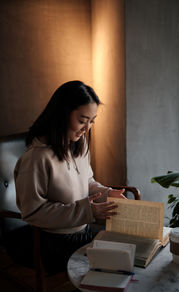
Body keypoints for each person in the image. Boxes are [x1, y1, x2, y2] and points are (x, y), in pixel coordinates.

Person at [14, 80, 125, 274]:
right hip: (52, 241)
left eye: (92, 121)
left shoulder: (78, 144)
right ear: (62, 115)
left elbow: (87, 181)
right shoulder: (36, 158)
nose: (87, 128)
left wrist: (107, 193)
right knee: (115, 264)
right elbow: (32, 212)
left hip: (81, 230)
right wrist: (87, 211)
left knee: (128, 248)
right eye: (82, 121)